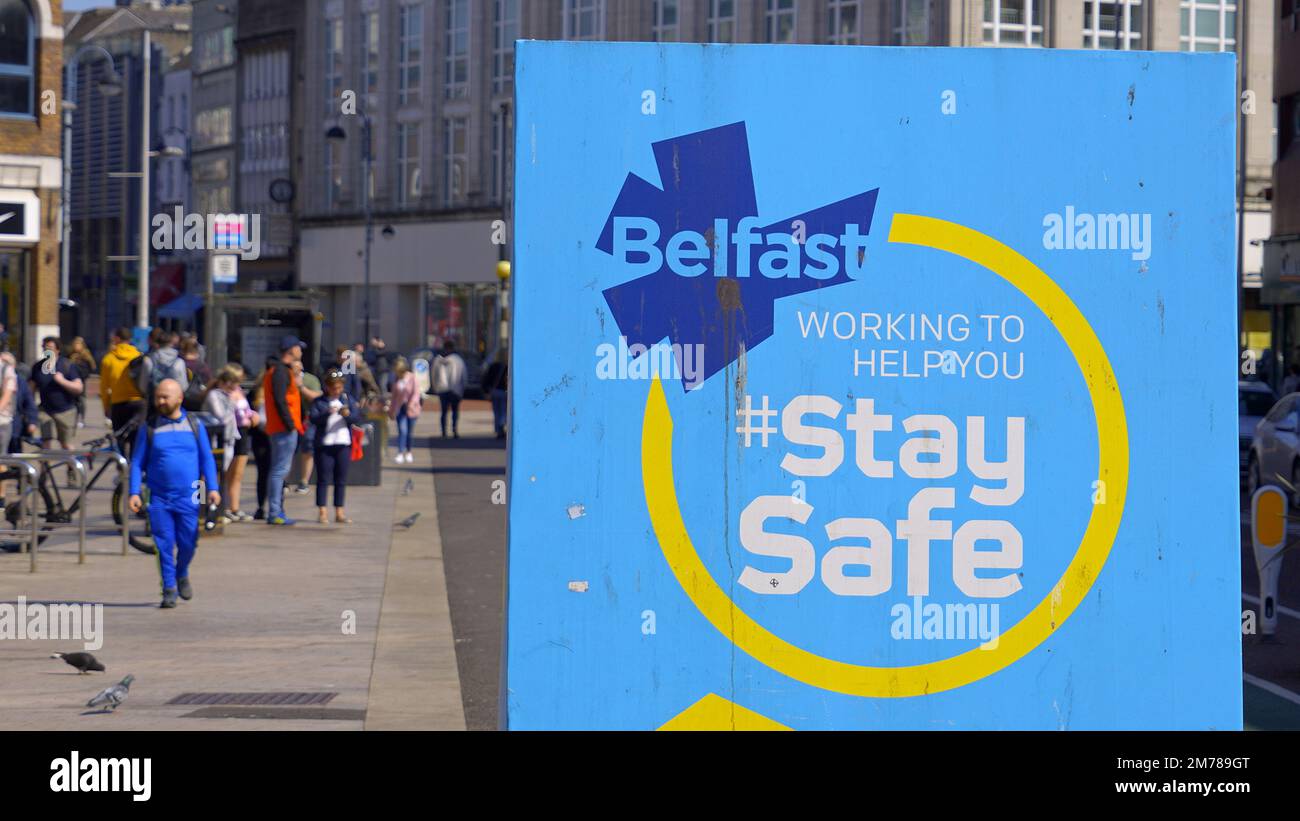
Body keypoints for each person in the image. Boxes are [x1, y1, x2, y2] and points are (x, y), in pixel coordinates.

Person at [128, 379, 220, 609]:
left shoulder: (194, 425)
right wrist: (134, 491)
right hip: (158, 496)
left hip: (191, 495)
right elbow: (137, 462)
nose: (160, 401)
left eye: (165, 397)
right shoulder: (149, 428)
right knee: (164, 544)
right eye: (158, 397)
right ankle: (168, 587)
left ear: (179, 398)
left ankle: (182, 573)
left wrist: (214, 489)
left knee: (189, 542)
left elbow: (207, 459)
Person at [261, 336, 306, 525]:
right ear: (291, 350)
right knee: (280, 470)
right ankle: (275, 511)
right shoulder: (280, 372)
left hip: (281, 426)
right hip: (283, 428)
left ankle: (276, 510)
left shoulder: (278, 371)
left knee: (279, 470)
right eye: (299, 348)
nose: (301, 352)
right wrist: (290, 424)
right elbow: (280, 400)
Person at [202, 364, 252, 521]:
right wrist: (232, 402)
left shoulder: (231, 394)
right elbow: (221, 417)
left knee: (225, 475)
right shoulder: (215, 395)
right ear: (227, 381)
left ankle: (222, 509)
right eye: (234, 382)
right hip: (215, 441)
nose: (237, 386)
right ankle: (210, 510)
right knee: (212, 475)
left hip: (230, 439)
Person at [309, 370, 357, 524]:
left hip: (343, 443)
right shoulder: (320, 402)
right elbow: (314, 419)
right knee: (323, 479)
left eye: (339, 387)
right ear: (327, 387)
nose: (337, 391)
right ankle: (322, 511)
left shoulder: (347, 399)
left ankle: (339, 511)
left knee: (341, 479)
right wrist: (328, 413)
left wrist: (347, 415)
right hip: (325, 445)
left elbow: (357, 417)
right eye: (334, 388)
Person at [32, 337, 84, 461]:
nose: (47, 350)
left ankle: (72, 471)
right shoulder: (38, 367)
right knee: (46, 443)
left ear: (58, 350)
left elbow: (79, 387)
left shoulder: (66, 365)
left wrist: (62, 381)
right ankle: (45, 472)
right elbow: (31, 388)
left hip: (65, 411)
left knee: (66, 444)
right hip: (45, 410)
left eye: (50, 348)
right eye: (44, 348)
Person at [99, 327, 146, 434]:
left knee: (119, 437)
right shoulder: (138, 356)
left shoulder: (108, 359)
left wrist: (106, 406)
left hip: (118, 403)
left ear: (116, 338)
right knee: (136, 437)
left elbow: (104, 387)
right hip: (138, 401)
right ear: (130, 339)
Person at [292, 360, 322, 495]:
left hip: (307, 420)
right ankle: (284, 481)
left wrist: (301, 387)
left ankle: (304, 481)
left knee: (308, 448)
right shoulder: (283, 378)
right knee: (289, 450)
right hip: (289, 420)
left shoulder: (310, 379)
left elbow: (317, 397)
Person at [135, 327, 188, 404]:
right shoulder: (179, 361)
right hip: (174, 401)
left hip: (154, 402)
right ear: (171, 343)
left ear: (157, 344)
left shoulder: (149, 360)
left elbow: (143, 386)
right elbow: (184, 386)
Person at [249, 360, 274, 520]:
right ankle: (263, 506)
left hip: (271, 436)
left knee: (272, 473)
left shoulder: (278, 389)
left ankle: (272, 506)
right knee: (266, 473)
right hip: (263, 437)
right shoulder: (256, 392)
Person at [2, 351, 37, 453]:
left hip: (14, 425)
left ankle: (15, 468)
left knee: (14, 452)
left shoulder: (21, 382)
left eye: (6, 363)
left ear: (13, 366)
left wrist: (32, 421)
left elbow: (29, 403)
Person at [388, 358, 422, 462]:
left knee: (409, 433)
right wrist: (391, 410)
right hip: (400, 408)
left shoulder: (412, 378)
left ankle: (408, 451)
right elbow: (394, 396)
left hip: (411, 409)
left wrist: (411, 404)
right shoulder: (396, 379)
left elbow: (416, 393)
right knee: (402, 431)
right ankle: (400, 452)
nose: (397, 373)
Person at [431, 340, 466, 439]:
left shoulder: (437, 361)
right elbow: (464, 375)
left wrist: (435, 387)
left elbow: (434, 375)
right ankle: (454, 430)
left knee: (444, 411)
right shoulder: (458, 360)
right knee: (455, 411)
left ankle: (443, 431)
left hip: (442, 389)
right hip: (455, 389)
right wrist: (463, 388)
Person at [66, 337, 96, 429]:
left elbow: (90, 368)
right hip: (70, 381)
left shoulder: (85, 356)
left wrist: (81, 374)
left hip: (81, 380)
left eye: (78, 344)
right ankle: (72, 418)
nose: (76, 346)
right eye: (75, 344)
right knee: (71, 400)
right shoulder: (70, 355)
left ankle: (80, 418)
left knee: (81, 400)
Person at [482, 349, 508, 439]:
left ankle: (498, 429)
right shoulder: (507, 367)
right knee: (503, 411)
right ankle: (501, 426)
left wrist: (486, 391)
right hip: (503, 392)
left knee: (496, 412)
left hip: (494, 391)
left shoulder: (493, 366)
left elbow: (486, 379)